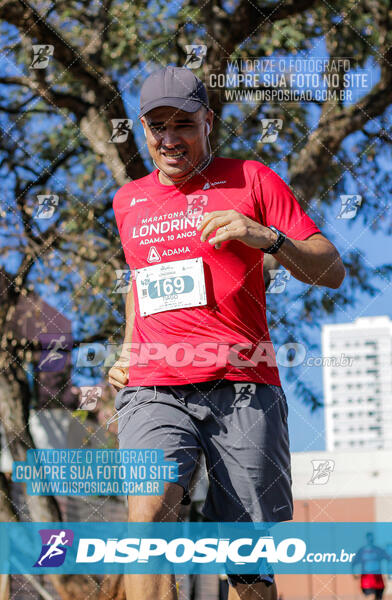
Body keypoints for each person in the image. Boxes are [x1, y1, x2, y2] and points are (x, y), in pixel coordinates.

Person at [107, 66, 345, 600]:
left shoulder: (253, 179)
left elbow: (331, 271)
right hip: (153, 384)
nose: (169, 139)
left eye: (183, 124)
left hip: (242, 384)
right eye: (156, 126)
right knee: (146, 519)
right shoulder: (129, 201)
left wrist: (266, 238)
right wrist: (127, 348)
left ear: (208, 122)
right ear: (143, 128)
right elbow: (140, 280)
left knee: (244, 561)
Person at [353, 533, 391, 600]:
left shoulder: (378, 550)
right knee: (369, 595)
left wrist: (389, 573)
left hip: (378, 580)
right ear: (366, 539)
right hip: (366, 581)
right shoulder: (362, 551)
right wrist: (354, 574)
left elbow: (388, 559)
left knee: (379, 596)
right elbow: (354, 563)